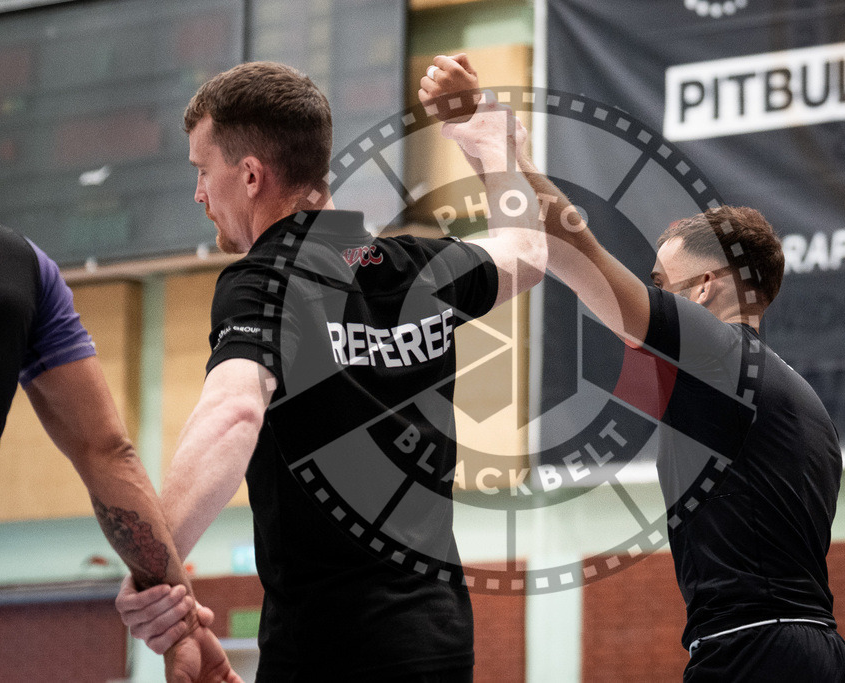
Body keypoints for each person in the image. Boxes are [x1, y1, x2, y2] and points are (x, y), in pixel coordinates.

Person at [420, 55, 845, 681]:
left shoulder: (720, 353)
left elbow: (575, 253)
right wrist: (511, 153)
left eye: (662, 283)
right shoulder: (799, 401)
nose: (651, 295)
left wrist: (490, 136)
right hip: (810, 650)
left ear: (705, 290)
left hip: (755, 652)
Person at [114, 61, 545, 680]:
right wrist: (491, 142)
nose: (199, 194)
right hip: (440, 644)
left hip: (328, 646)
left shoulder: (261, 278)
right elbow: (530, 253)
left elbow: (234, 410)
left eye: (203, 172)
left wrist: (153, 568)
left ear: (252, 175)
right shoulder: (409, 267)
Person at [0, 224, 240, 683]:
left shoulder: (28, 273)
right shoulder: (24, 267)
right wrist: (181, 628)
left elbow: (105, 452)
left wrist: (181, 622)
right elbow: (105, 453)